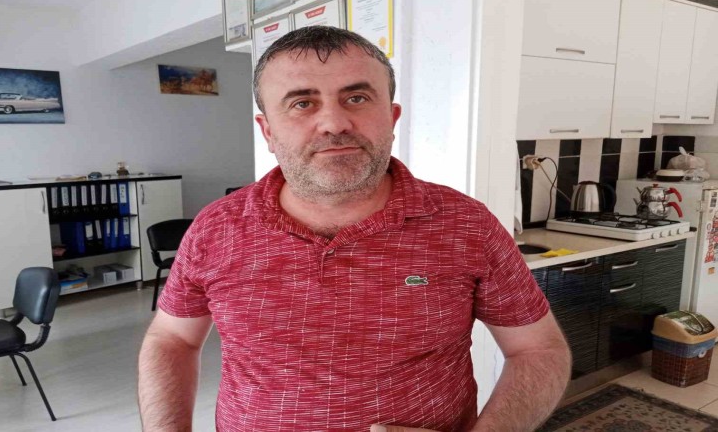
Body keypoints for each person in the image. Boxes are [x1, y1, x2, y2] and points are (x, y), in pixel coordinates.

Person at [138, 26, 571, 431]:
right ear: (267, 130)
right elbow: (171, 338)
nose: (334, 123)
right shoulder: (215, 228)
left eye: (357, 98)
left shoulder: (466, 224)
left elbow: (538, 349)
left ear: (392, 117)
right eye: (302, 103)